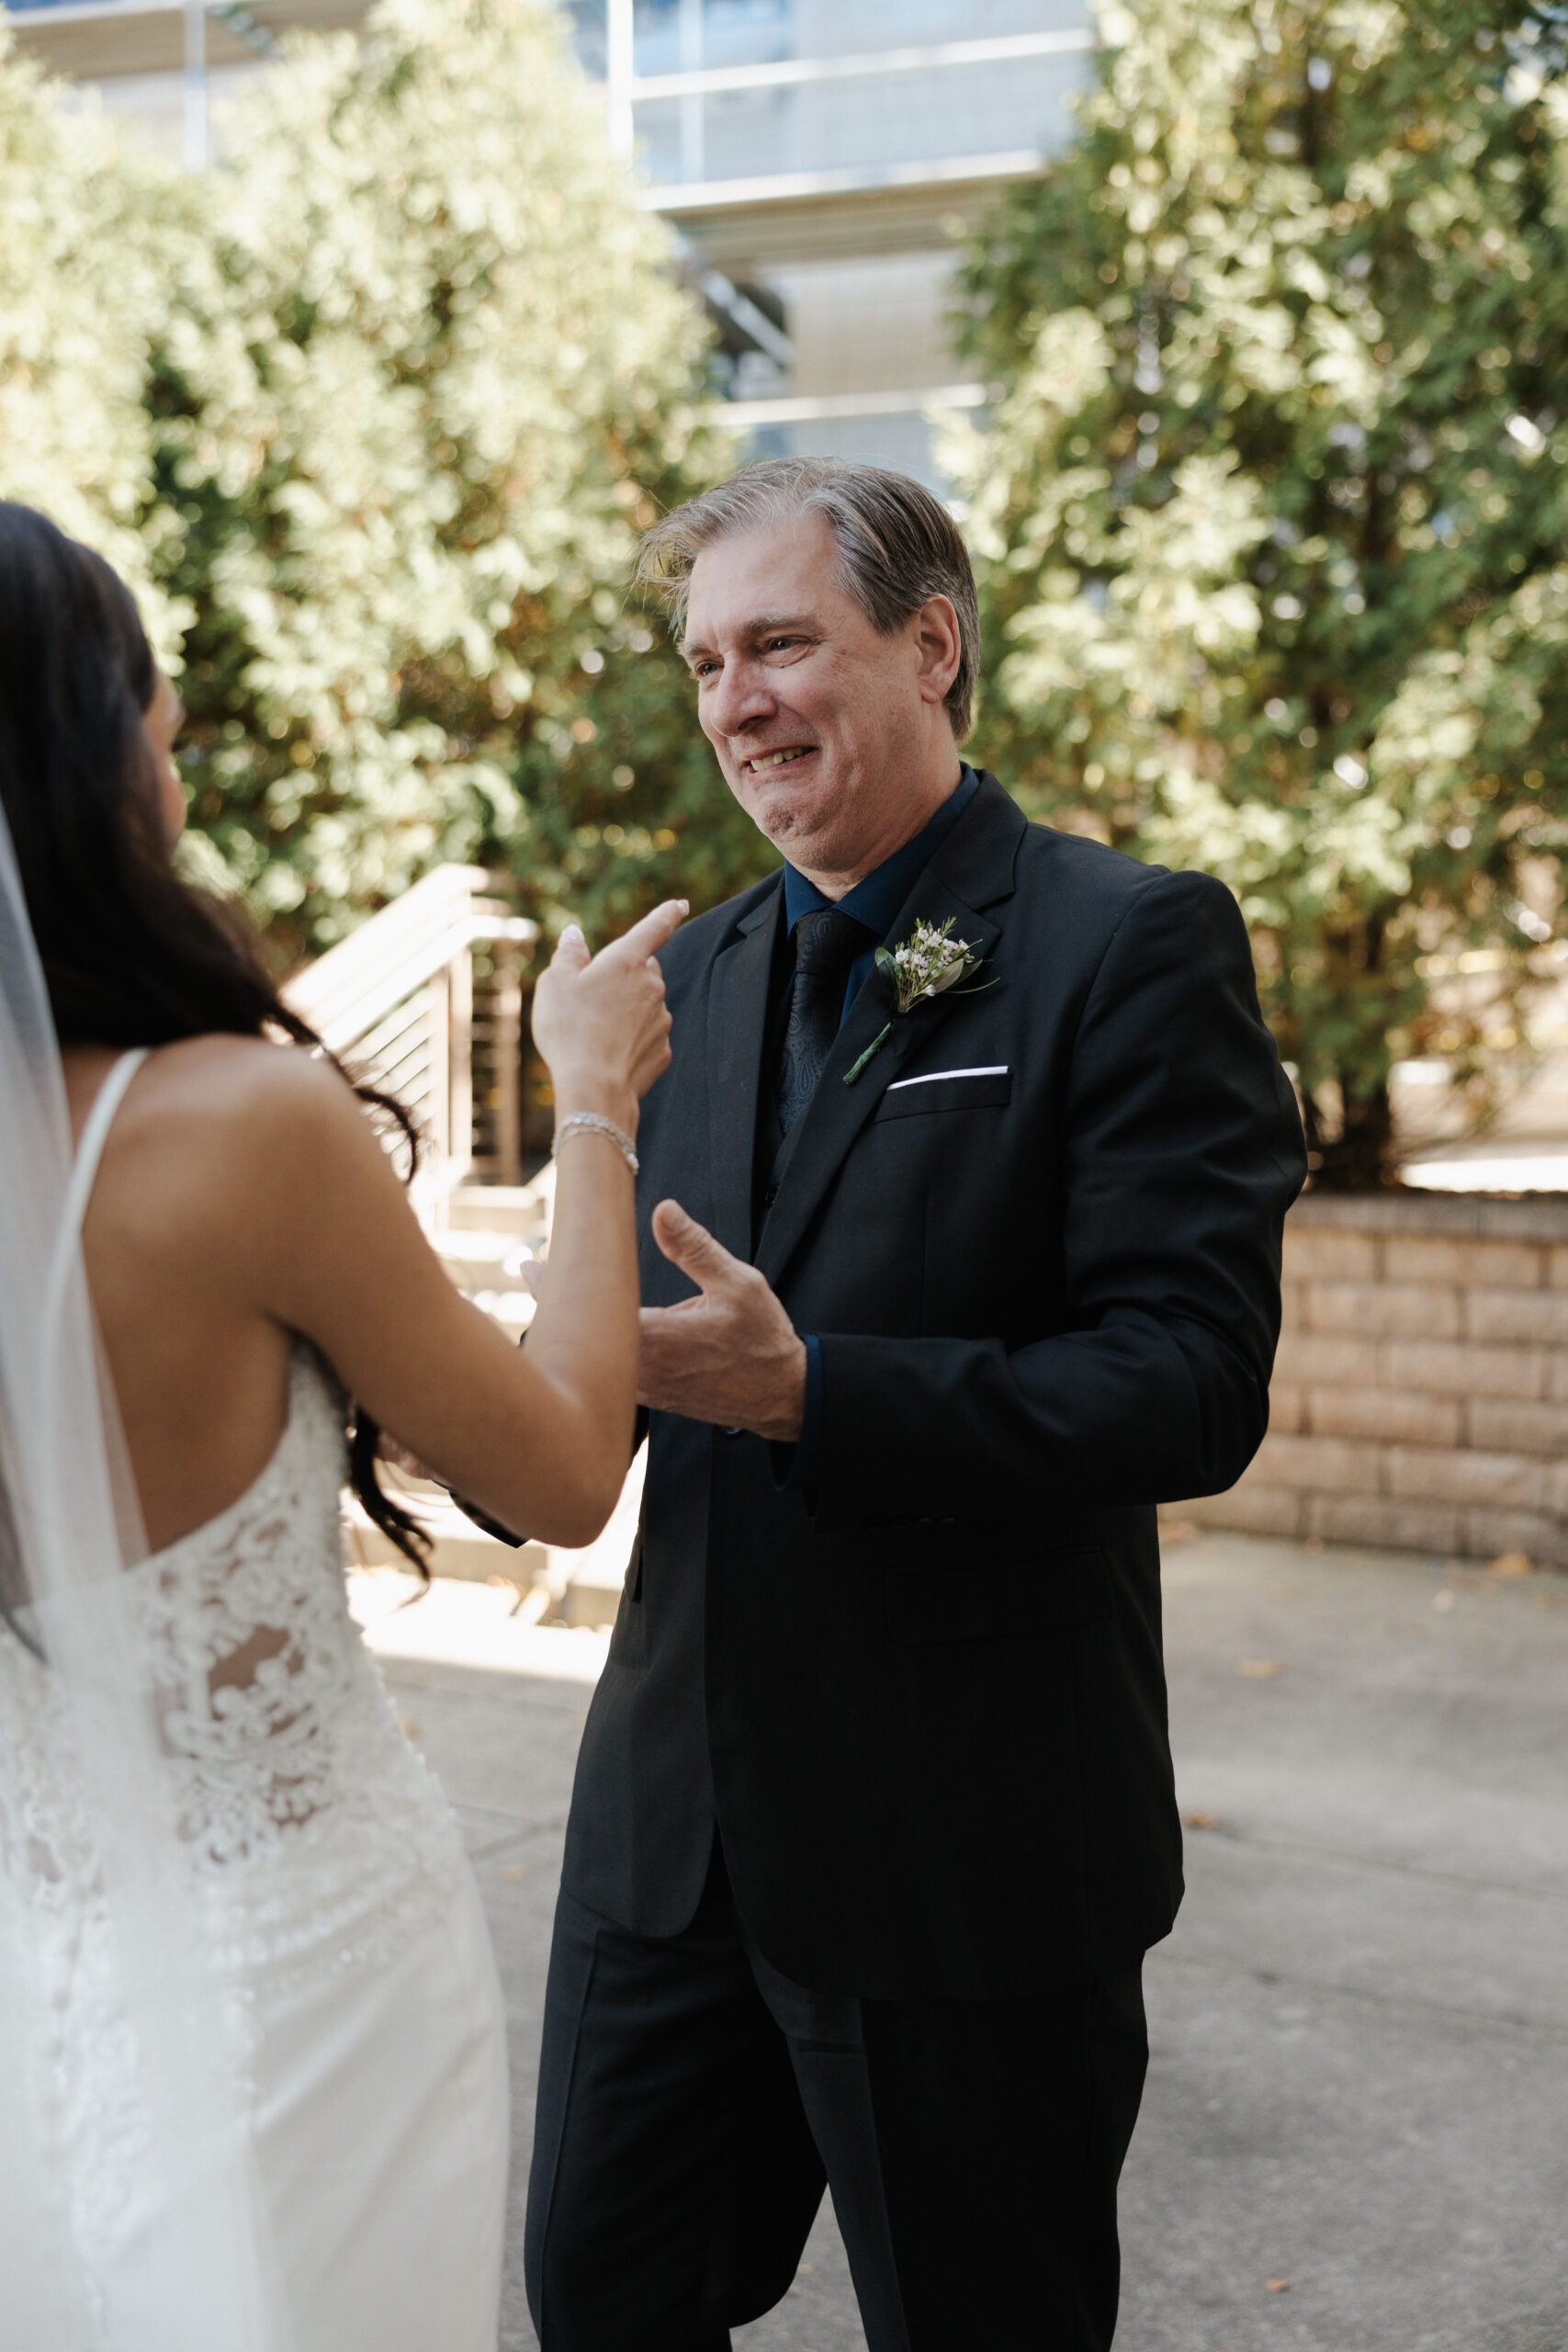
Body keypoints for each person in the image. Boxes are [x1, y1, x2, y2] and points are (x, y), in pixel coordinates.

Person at [520, 458, 1309, 2351]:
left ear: (930, 643)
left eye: (779, 641)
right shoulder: (667, 985)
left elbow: (1185, 1381)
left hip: (965, 1849)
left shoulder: (1124, 943)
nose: (732, 701)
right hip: (665, 1845)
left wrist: (818, 1397)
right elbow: (598, 1366)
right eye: (706, 660)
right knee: (596, 2307)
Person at [0, 500, 683, 2351]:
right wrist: (592, 1095)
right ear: (89, 743)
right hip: (297, 1970)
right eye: (154, 702)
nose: (176, 746)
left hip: (34, 1978)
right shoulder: (233, 1129)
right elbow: (552, 1470)